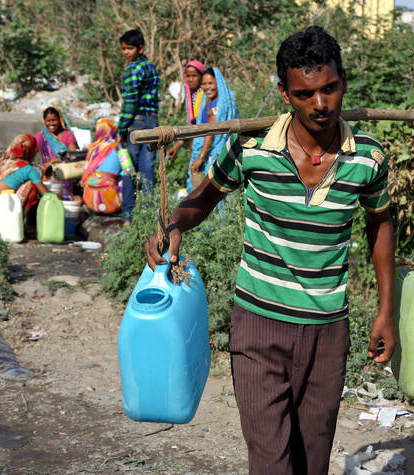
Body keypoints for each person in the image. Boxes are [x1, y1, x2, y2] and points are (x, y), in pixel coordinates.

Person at [144, 26, 396, 474]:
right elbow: (202, 200)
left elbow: (380, 223)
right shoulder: (252, 148)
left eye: (330, 89)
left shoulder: (368, 157)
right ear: (284, 93)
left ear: (343, 82)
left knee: (311, 462)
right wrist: (173, 226)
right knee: (271, 463)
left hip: (327, 331)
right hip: (259, 329)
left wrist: (385, 310)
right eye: (305, 94)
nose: (321, 104)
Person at [118, 28, 159, 226]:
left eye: (130, 48)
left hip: (136, 122)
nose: (126, 52)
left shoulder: (133, 70)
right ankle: (151, 215)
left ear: (140, 48)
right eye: (124, 49)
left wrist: (121, 129)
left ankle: (128, 216)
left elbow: (130, 103)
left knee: (129, 169)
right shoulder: (150, 67)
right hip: (152, 121)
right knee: (148, 168)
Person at [185, 67, 238, 192]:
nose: (207, 87)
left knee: (209, 193)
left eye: (210, 83)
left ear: (218, 83)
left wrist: (201, 158)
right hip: (225, 153)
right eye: (204, 84)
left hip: (212, 155)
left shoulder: (215, 107)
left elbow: (211, 132)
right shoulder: (224, 103)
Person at [0, 134, 49, 226]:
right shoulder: (29, 169)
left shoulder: (4, 162)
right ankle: (19, 224)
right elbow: (46, 194)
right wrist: (61, 197)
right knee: (32, 186)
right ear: (29, 150)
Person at [35, 106, 79, 200]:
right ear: (44, 121)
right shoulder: (40, 136)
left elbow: (73, 155)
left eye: (54, 120)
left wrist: (53, 161)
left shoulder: (68, 135)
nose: (51, 123)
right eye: (48, 121)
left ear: (60, 120)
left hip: (63, 176)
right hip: (47, 177)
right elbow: (31, 152)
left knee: (64, 201)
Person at [165, 60, 206, 161]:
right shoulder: (190, 97)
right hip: (196, 146)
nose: (190, 79)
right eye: (188, 76)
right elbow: (190, 126)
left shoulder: (206, 94)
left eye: (194, 76)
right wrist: (176, 146)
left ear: (201, 76)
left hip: (207, 146)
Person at [81, 118, 122, 214]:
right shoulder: (115, 146)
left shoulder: (92, 147)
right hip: (110, 201)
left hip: (89, 197)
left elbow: (86, 169)